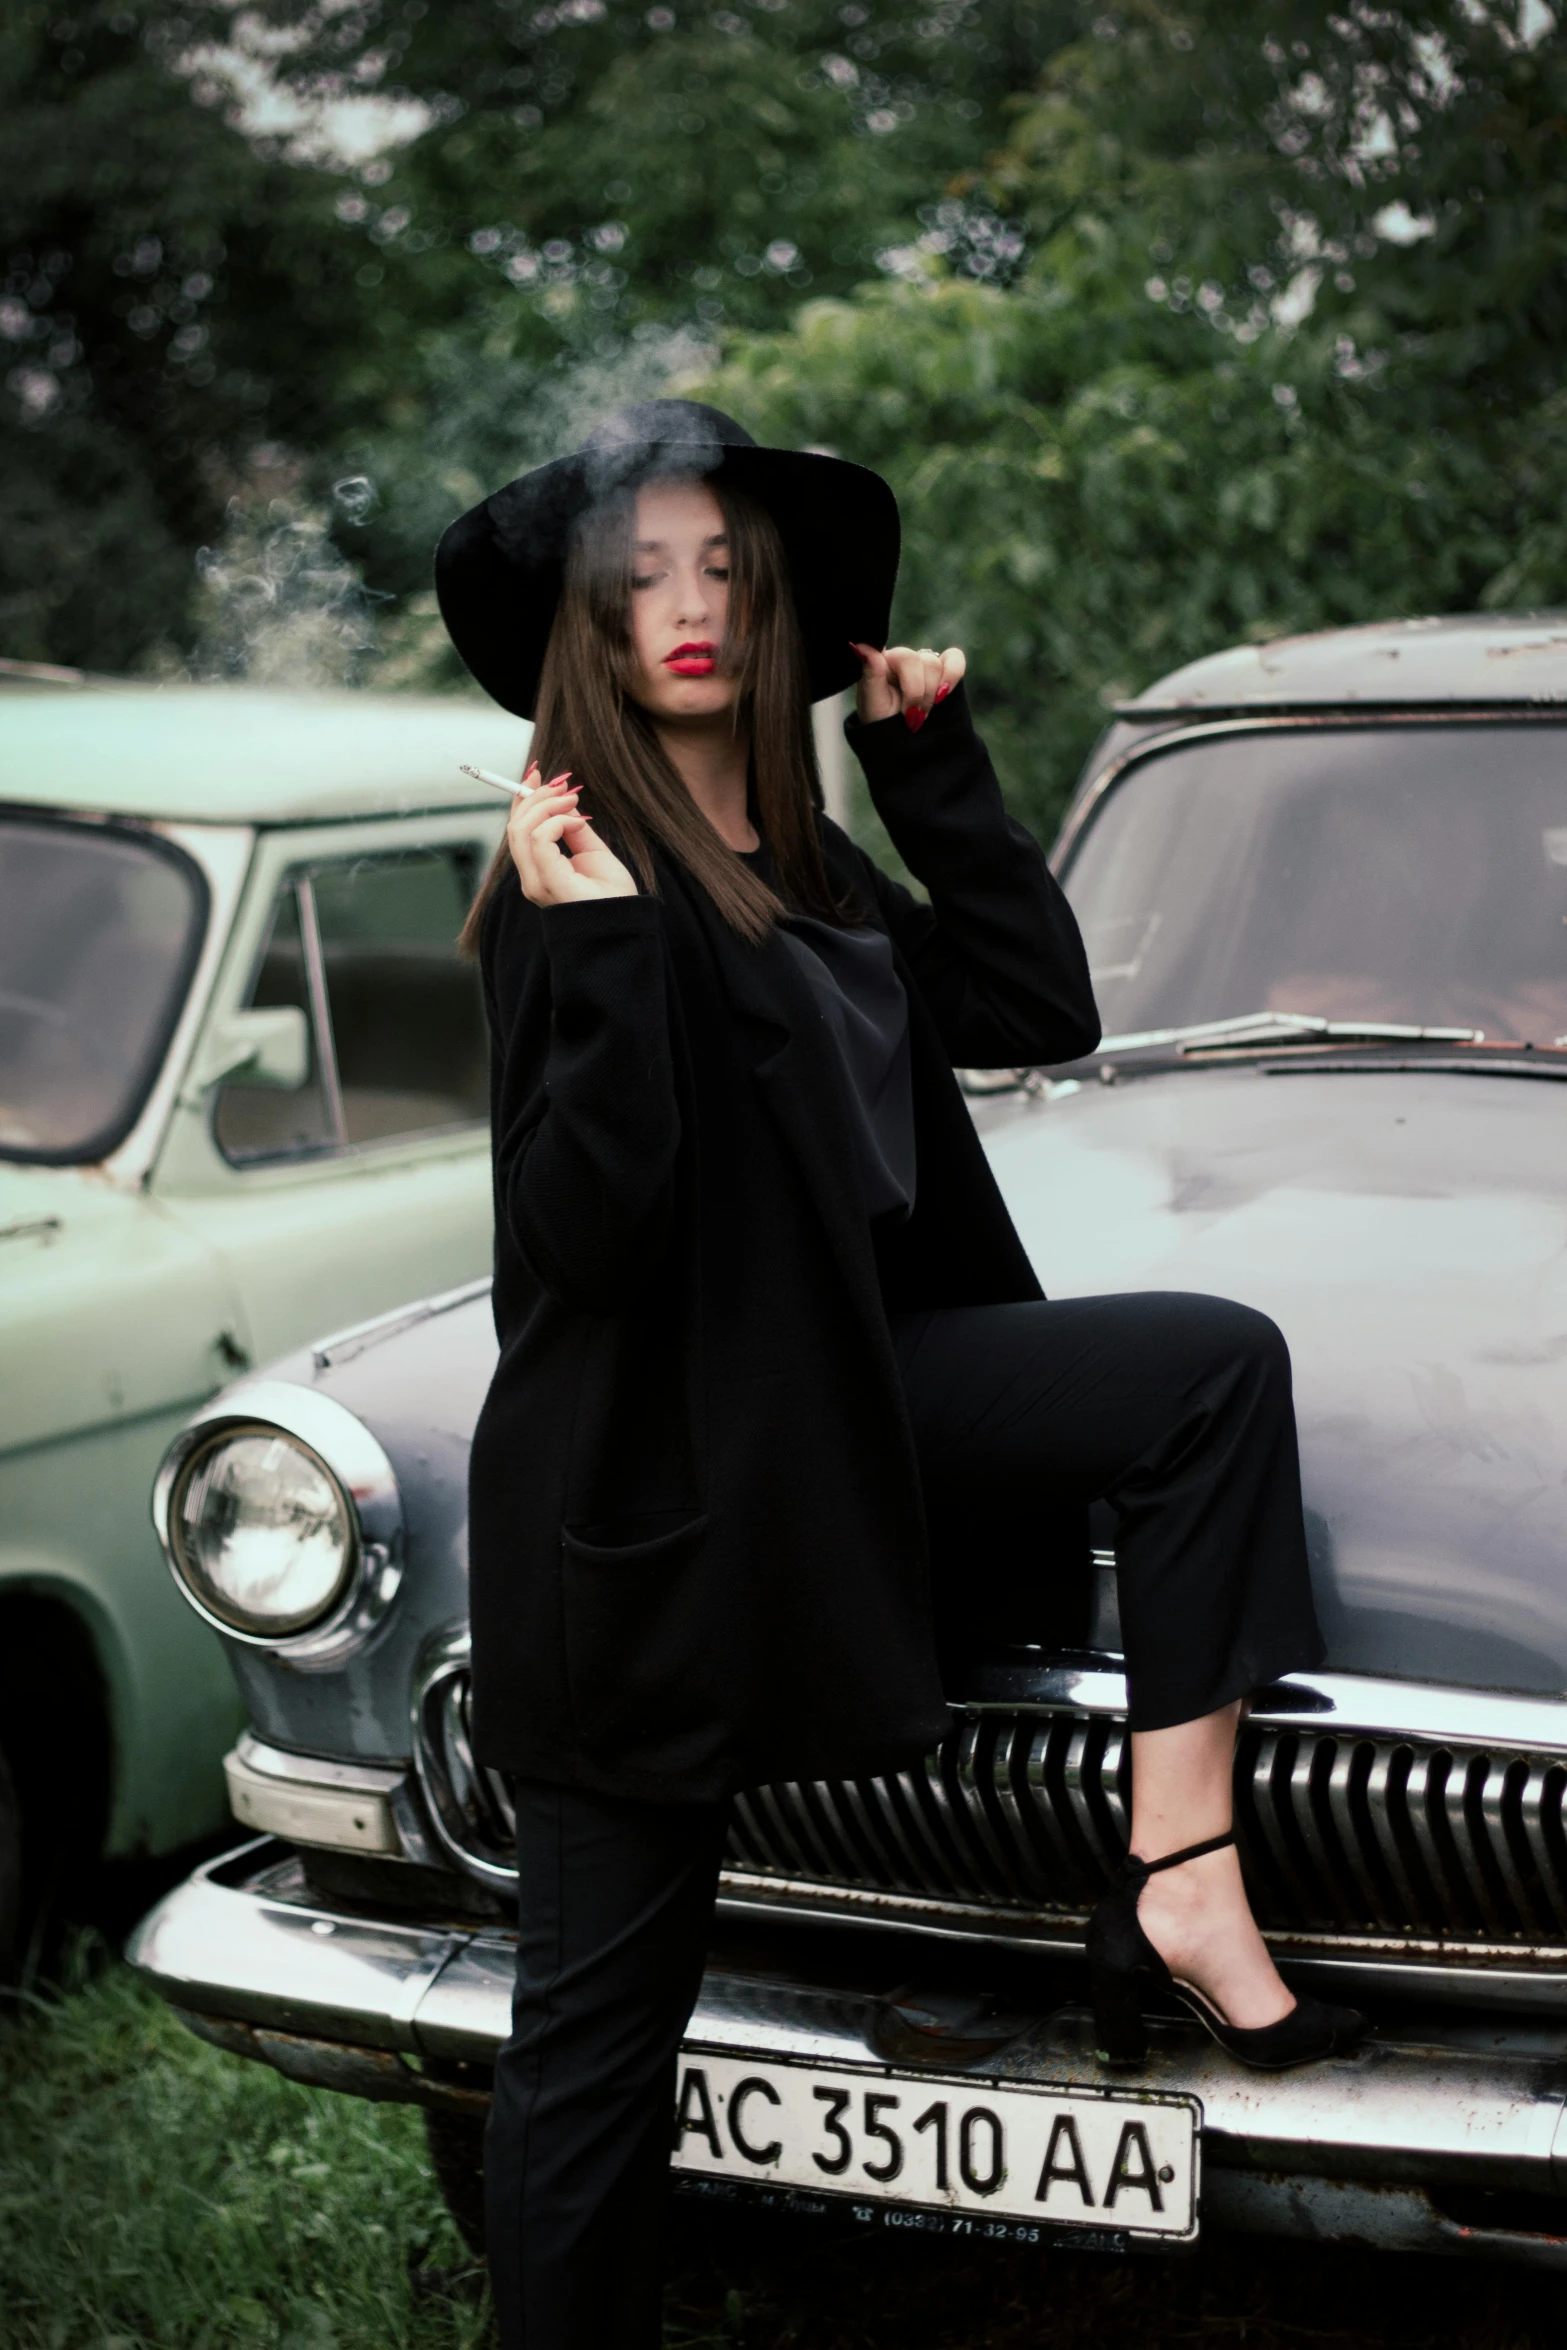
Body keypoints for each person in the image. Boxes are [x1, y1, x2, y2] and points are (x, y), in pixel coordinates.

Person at [434, 400, 1363, 2349]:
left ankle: (1182, 1869)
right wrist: (594, 956)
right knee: (596, 2040)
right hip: (646, 1523)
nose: (687, 605)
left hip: (832, 1420)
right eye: (639, 575)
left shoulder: (803, 865)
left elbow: (1036, 1004)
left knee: (1205, 1371)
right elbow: (589, 1255)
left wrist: (927, 760)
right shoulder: (571, 872)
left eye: (724, 569)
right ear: (586, 631)